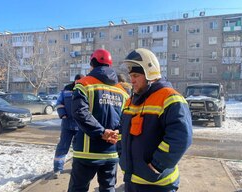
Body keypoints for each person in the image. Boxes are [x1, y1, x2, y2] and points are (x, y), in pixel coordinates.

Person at [118, 48, 193, 192]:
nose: (131, 80)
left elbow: (181, 137)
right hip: (132, 180)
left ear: (150, 74)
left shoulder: (171, 98)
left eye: (135, 75)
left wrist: (158, 164)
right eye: (130, 75)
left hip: (158, 185)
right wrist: (122, 155)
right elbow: (122, 131)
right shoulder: (131, 100)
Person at [68, 49, 129, 192]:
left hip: (86, 152)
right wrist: (115, 134)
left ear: (92, 63)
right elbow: (127, 118)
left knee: (78, 189)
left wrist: (102, 132)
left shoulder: (84, 84)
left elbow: (79, 112)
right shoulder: (122, 91)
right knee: (108, 188)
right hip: (112, 152)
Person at [53, 74, 84, 179]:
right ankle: (57, 169)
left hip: (80, 126)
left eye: (80, 81)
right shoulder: (66, 89)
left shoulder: (85, 89)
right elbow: (59, 103)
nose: (78, 83)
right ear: (74, 81)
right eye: (77, 81)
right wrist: (63, 115)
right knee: (62, 146)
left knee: (79, 149)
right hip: (67, 124)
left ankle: (76, 168)